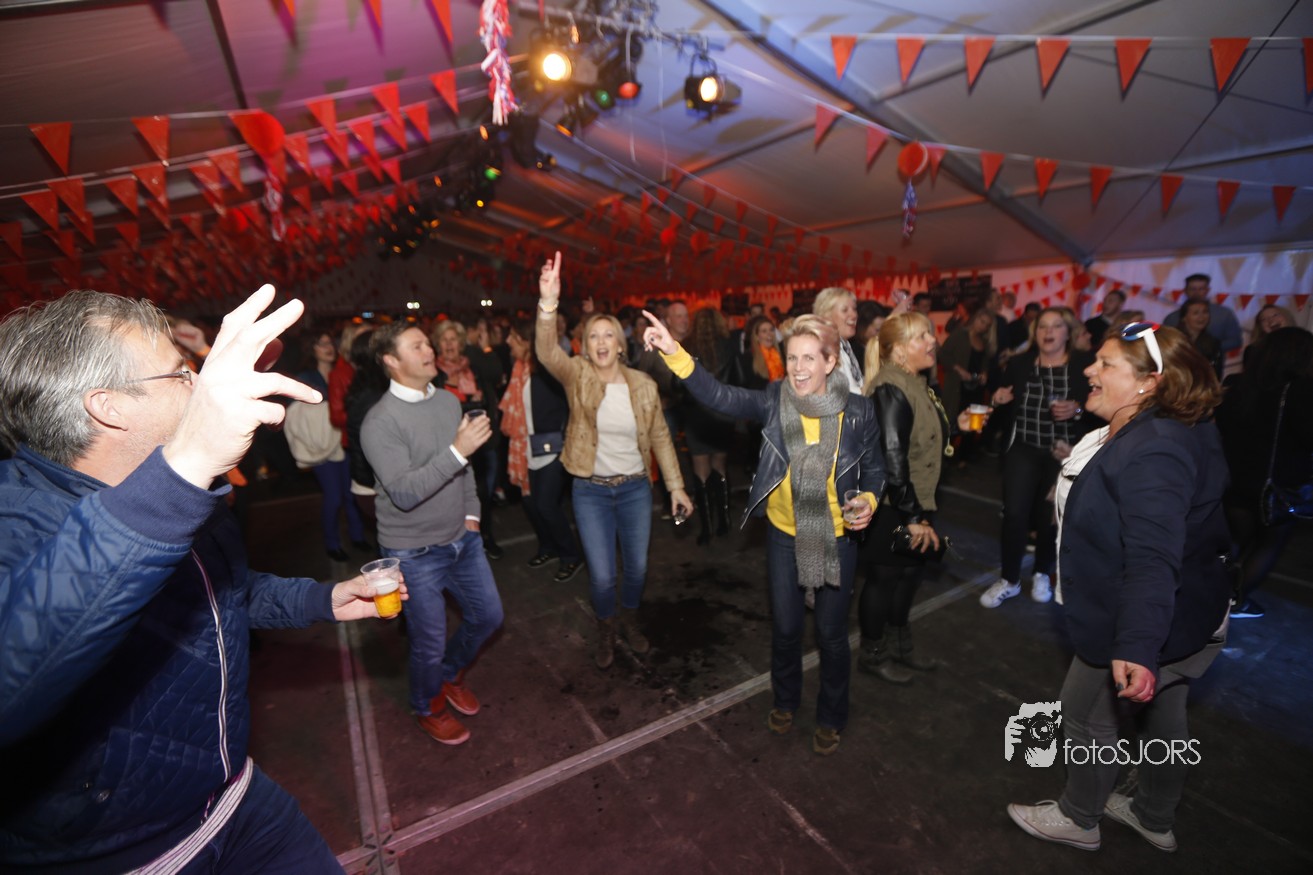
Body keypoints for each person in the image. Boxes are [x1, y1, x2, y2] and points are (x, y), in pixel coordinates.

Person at [0, 288, 404, 873]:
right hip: (122, 856)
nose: (199, 384)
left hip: (236, 798)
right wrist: (186, 465)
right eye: (181, 373)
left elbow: (217, 591)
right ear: (109, 407)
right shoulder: (16, 518)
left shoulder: (177, 487)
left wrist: (323, 598)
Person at [1007, 322, 1230, 854]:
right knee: (1166, 714)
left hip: (1146, 618)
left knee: (1083, 714)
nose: (1090, 368)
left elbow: (1153, 557)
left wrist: (1136, 645)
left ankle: (1079, 817)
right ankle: (1154, 814)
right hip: (1187, 613)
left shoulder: (1156, 448)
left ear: (1149, 382)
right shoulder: (1161, 425)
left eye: (1106, 364)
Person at [643, 310, 885, 756]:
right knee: (787, 629)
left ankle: (832, 715)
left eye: (809, 358)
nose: (798, 368)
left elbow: (875, 470)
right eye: (791, 357)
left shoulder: (859, 411)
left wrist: (869, 500)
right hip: (782, 534)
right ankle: (786, 700)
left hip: (837, 536)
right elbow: (721, 396)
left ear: (830, 362)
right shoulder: (776, 399)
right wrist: (675, 353)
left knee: (831, 635)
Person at [535, 254, 692, 670]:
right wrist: (548, 303)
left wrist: (676, 487)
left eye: (609, 335)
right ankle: (606, 626)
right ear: (584, 346)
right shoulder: (577, 376)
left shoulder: (643, 384)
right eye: (593, 337)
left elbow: (660, 436)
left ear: (622, 344)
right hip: (590, 491)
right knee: (603, 575)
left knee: (637, 569)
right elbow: (546, 352)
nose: (602, 342)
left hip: (636, 489)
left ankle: (630, 619)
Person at [361, 323, 505, 746]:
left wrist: (473, 514)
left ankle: (450, 674)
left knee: (489, 617)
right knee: (429, 641)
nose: (430, 350)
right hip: (413, 551)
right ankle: (428, 706)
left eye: (428, 343)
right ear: (391, 360)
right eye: (417, 346)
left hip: (462, 538)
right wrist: (458, 450)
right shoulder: (380, 422)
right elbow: (405, 493)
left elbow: (465, 469)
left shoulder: (447, 400)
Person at [858, 312, 977, 684]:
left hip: (917, 502)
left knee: (909, 575)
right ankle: (873, 654)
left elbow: (922, 435)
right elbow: (892, 460)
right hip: (895, 507)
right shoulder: (890, 388)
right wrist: (912, 518)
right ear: (898, 351)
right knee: (884, 578)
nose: (932, 341)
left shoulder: (918, 382)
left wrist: (957, 426)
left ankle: (900, 645)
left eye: (930, 334)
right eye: (921, 337)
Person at [980, 307, 1094, 608]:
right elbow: (1003, 403)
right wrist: (998, 400)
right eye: (1043, 326)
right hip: (1023, 449)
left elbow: (1098, 409)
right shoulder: (1020, 363)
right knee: (1015, 514)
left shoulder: (1083, 364)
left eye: (1056, 326)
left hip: (1063, 454)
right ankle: (1010, 579)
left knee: (1049, 519)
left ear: (1068, 333)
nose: (1048, 332)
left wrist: (1077, 409)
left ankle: (1043, 571)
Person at [1216, 327, 1313, 618]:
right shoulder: (1299, 391)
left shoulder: (1239, 385)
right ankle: (1236, 602)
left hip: (1234, 480)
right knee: (1269, 544)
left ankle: (1209, 595)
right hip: (1273, 486)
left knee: (1235, 542)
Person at [500, 319, 582, 582]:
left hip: (552, 447)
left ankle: (571, 555)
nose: (507, 341)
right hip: (526, 448)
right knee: (532, 504)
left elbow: (569, 402)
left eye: (513, 336)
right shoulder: (518, 369)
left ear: (526, 341)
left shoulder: (547, 370)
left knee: (546, 505)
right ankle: (549, 547)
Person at [431, 319, 505, 559]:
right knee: (453, 498)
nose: (449, 344)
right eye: (444, 340)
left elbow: (495, 375)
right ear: (438, 344)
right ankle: (456, 544)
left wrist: (485, 348)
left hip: (481, 445)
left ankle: (485, 537)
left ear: (461, 343)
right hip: (449, 446)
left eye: (453, 339)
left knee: (482, 495)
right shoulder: (433, 374)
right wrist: (468, 404)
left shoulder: (473, 367)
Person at [292, 329, 368, 562]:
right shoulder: (306, 378)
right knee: (334, 497)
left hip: (342, 442)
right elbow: (299, 418)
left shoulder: (342, 372)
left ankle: (358, 537)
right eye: (322, 343)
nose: (329, 348)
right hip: (320, 446)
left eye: (330, 342)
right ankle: (332, 544)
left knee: (350, 494)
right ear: (311, 349)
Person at [683, 307, 740, 544]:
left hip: (696, 415)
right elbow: (737, 379)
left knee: (701, 470)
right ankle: (724, 521)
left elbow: (679, 383)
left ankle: (706, 528)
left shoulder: (687, 346)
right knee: (719, 465)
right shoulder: (729, 345)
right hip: (722, 414)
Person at [939, 306, 997, 423]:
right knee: (953, 421)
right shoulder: (960, 334)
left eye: (987, 325)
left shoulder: (984, 341)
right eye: (982, 321)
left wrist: (984, 373)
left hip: (976, 388)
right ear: (975, 318)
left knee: (973, 424)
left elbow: (984, 362)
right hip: (957, 387)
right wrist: (958, 369)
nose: (983, 326)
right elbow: (942, 354)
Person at [1163, 273, 1242, 353]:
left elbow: (1235, 341)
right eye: (1193, 289)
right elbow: (1164, 342)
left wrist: (1210, 348)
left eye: (1201, 289)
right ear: (1185, 291)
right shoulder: (1172, 318)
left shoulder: (1224, 314)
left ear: (1207, 290)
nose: (1197, 293)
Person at [813, 287, 863, 391]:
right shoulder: (826, 348)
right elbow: (839, 393)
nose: (854, 315)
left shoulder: (845, 345)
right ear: (826, 316)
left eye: (854, 309)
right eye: (845, 310)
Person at [1242, 304, 1298, 370]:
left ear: (1287, 318)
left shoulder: (1303, 343)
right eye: (1264, 319)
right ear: (1260, 327)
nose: (1271, 320)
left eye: (1275, 315)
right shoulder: (1253, 350)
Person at [1178, 299, 1223, 379]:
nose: (1201, 317)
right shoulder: (1174, 339)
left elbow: (1216, 375)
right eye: (1196, 313)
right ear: (1184, 317)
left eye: (1205, 312)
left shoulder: (1214, 343)